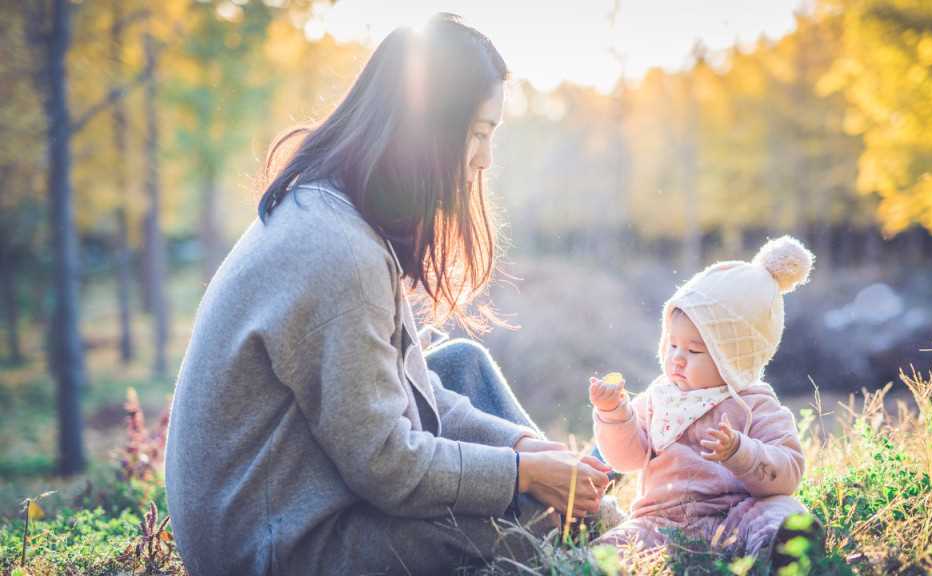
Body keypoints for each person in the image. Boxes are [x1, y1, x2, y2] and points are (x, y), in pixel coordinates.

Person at [165, 14, 610, 575]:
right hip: (276, 549)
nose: (484, 159)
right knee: (524, 528)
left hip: (292, 499)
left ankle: (587, 513)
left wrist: (523, 448)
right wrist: (521, 477)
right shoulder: (337, 254)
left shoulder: (336, 213)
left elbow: (409, 391)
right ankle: (601, 533)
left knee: (462, 365)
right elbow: (387, 466)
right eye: (477, 133)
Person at [590, 236, 822, 564]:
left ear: (734, 357)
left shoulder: (755, 403)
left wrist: (741, 452)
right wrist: (614, 413)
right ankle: (590, 563)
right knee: (616, 545)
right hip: (662, 521)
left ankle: (783, 550)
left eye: (695, 350)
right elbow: (626, 459)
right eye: (672, 345)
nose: (678, 359)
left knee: (782, 511)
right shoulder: (659, 398)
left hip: (738, 514)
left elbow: (788, 472)